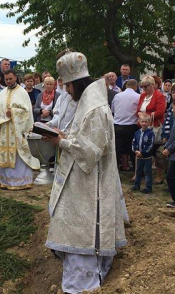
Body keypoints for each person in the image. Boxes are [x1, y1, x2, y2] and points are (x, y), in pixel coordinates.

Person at [44, 51, 126, 293]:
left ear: (76, 82)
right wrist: (65, 137)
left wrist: (62, 142)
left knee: (83, 232)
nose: (66, 91)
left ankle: (83, 284)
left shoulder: (96, 108)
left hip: (91, 184)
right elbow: (86, 139)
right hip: (81, 180)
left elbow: (91, 153)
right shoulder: (87, 102)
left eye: (67, 85)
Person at [0, 69, 40, 190]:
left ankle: (21, 181)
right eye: (6, 79)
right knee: (5, 154)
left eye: (10, 79)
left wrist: (12, 112)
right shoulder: (2, 93)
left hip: (18, 130)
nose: (8, 81)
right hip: (4, 130)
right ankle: (6, 181)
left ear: (15, 78)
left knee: (19, 155)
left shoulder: (22, 92)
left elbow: (27, 112)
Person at [137, 76, 166, 184]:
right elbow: (138, 110)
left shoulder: (159, 96)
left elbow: (160, 112)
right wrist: (141, 116)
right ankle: (140, 173)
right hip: (143, 127)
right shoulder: (143, 95)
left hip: (154, 127)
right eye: (142, 87)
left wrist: (144, 115)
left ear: (152, 85)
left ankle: (159, 175)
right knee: (141, 149)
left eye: (146, 86)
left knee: (156, 151)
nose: (144, 89)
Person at [111, 79, 140, 171]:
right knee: (132, 149)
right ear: (135, 87)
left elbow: (113, 110)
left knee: (117, 149)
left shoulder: (117, 96)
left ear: (126, 86)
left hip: (118, 125)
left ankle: (114, 170)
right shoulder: (138, 96)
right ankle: (136, 169)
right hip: (131, 125)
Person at [131, 113, 155, 194]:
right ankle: (136, 185)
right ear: (139, 122)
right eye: (142, 121)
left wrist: (143, 152)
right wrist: (136, 151)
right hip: (138, 156)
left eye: (146, 122)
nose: (144, 123)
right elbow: (133, 142)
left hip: (147, 157)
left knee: (147, 172)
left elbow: (150, 145)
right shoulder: (137, 132)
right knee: (138, 171)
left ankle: (148, 187)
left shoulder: (150, 133)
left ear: (149, 123)